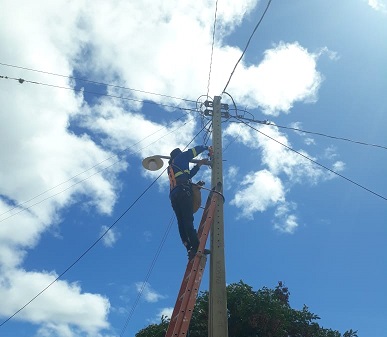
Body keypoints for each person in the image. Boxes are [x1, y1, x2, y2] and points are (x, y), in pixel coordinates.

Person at [168, 145, 211, 260]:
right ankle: (196, 248)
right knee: (188, 220)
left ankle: (189, 248)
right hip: (183, 192)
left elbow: (187, 175)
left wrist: (199, 165)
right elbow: (193, 151)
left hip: (174, 196)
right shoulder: (180, 157)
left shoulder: (172, 167)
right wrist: (206, 147)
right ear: (179, 154)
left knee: (181, 223)